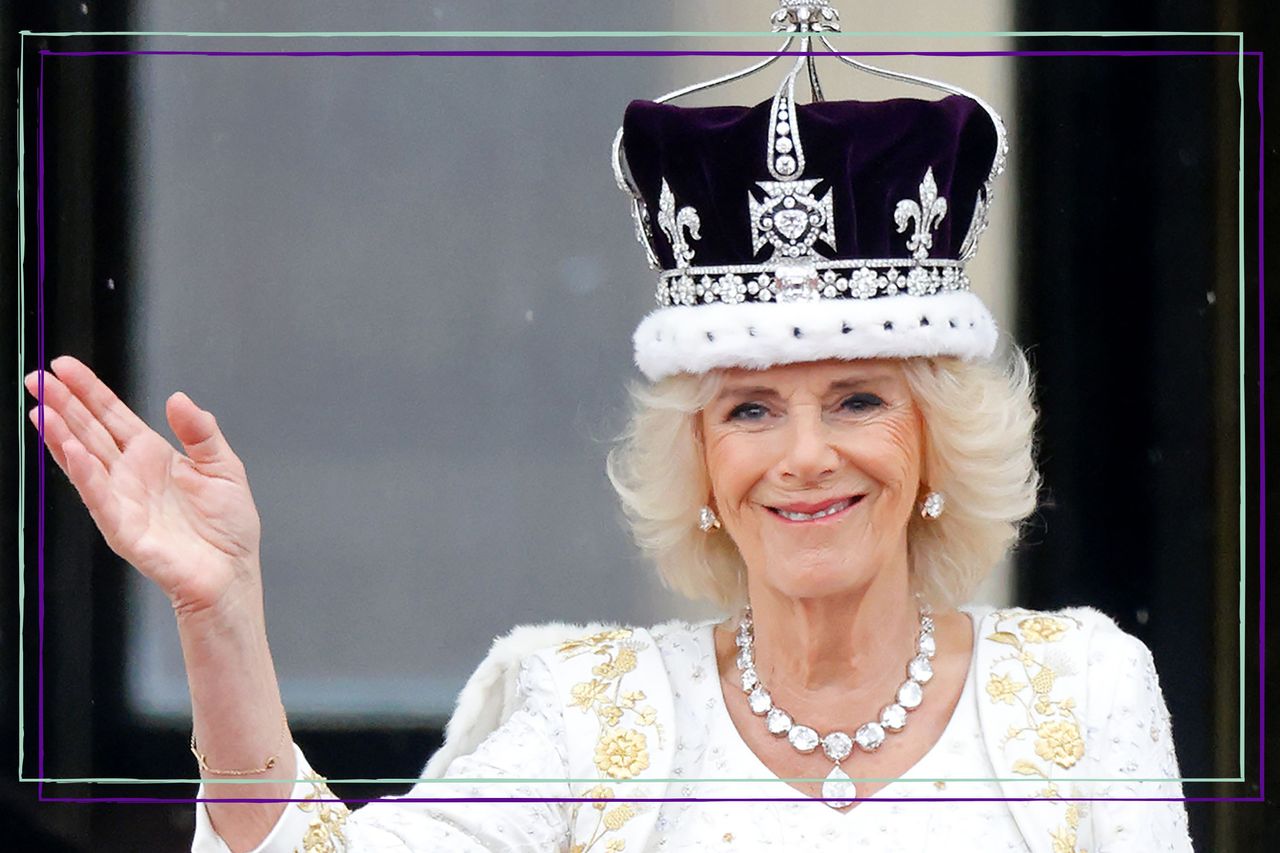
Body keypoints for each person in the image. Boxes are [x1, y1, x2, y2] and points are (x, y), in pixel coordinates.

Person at [24, 7, 1192, 851]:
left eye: (857, 398)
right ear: (699, 463)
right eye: (747, 407)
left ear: (934, 440)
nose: (801, 455)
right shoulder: (600, 712)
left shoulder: (1080, 693)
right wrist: (220, 610)